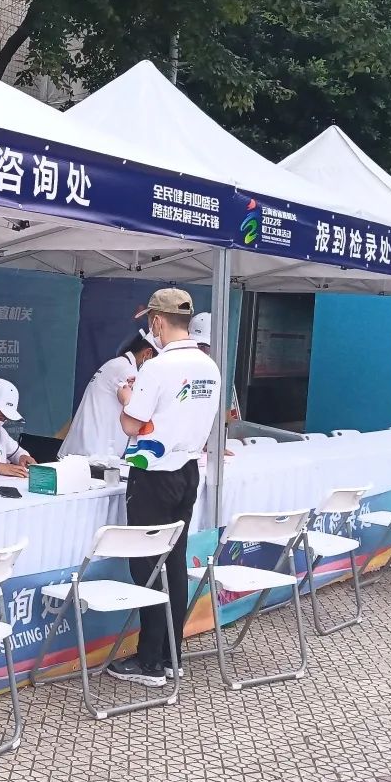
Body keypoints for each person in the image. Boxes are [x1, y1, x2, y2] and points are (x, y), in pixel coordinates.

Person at [107, 289, 221, 687]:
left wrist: (126, 397)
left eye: (151, 322)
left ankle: (150, 661)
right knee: (173, 561)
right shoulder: (209, 366)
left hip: (153, 474)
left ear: (157, 321)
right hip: (188, 471)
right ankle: (172, 654)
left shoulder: (157, 368)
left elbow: (130, 424)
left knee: (147, 564)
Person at [59, 329, 159, 459]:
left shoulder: (116, 364)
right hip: (92, 456)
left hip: (83, 451)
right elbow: (137, 410)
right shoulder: (126, 370)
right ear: (148, 353)